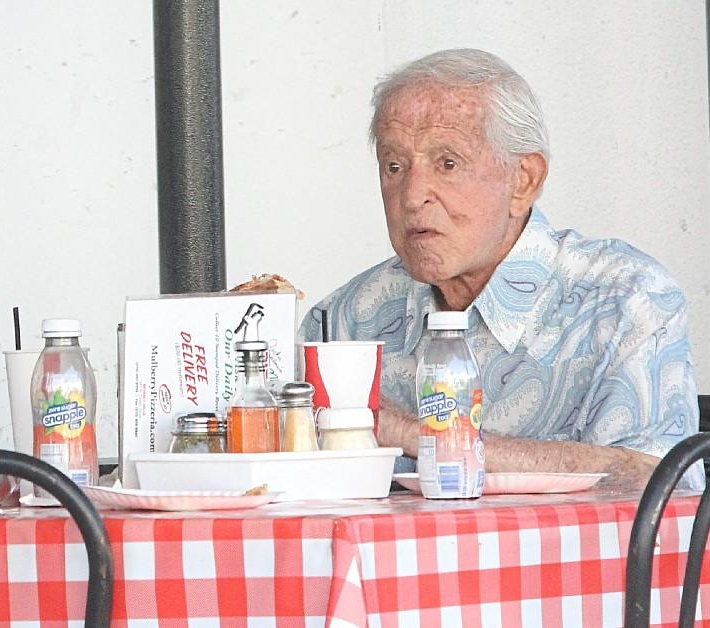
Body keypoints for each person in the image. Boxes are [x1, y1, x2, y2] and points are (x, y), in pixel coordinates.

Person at [300, 48, 703, 491]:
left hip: (566, 561)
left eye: (448, 164)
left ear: (523, 180)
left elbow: (662, 483)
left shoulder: (623, 300)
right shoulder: (346, 318)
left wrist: (420, 434)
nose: (412, 196)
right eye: (394, 166)